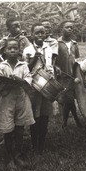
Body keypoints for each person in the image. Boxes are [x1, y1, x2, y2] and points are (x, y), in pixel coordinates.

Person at [0, 38, 35, 169]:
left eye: (15, 48)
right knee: (7, 129)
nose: (12, 50)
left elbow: (28, 80)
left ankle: (18, 154)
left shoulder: (23, 65)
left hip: (21, 100)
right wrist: (5, 82)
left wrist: (19, 80)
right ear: (4, 51)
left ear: (19, 51)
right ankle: (9, 156)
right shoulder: (2, 66)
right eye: (9, 48)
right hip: (6, 101)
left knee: (19, 129)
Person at [23, 23, 53, 154]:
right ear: (32, 35)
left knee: (45, 114)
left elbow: (51, 65)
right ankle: (34, 143)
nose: (40, 35)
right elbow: (26, 69)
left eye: (42, 32)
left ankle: (42, 143)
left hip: (46, 85)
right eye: (37, 33)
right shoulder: (28, 50)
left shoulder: (49, 48)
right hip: (34, 86)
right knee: (35, 115)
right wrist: (34, 58)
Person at [55, 21, 82, 128]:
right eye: (67, 27)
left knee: (68, 99)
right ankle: (74, 120)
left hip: (72, 76)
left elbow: (76, 60)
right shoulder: (56, 43)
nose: (69, 29)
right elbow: (53, 60)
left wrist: (77, 74)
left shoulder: (75, 44)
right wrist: (56, 68)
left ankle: (65, 122)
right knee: (68, 99)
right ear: (62, 28)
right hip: (62, 76)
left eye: (71, 27)